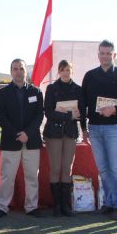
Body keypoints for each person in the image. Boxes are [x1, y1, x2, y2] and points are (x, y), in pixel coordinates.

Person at [81, 40, 117, 220]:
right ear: (98, 55)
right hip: (95, 128)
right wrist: (83, 128)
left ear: (114, 55)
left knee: (116, 167)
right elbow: (83, 104)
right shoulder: (89, 76)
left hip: (114, 128)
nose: (105, 56)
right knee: (103, 168)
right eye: (102, 53)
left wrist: (115, 110)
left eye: (108, 53)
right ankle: (109, 202)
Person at [0, 59, 44, 218]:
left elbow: (39, 115)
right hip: (10, 140)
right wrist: (17, 134)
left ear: (25, 71)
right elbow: (2, 116)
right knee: (7, 177)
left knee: (32, 176)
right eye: (15, 69)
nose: (18, 72)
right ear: (11, 71)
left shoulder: (36, 92)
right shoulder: (4, 93)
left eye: (21, 68)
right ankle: (2, 207)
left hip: (32, 140)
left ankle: (32, 206)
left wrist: (27, 133)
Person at [42, 60, 86, 216]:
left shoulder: (78, 89)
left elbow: (82, 113)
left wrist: (84, 129)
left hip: (71, 133)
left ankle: (65, 205)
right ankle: (56, 205)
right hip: (53, 134)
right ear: (58, 72)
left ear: (72, 71)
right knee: (55, 168)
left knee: (67, 169)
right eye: (62, 70)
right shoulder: (52, 88)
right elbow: (48, 112)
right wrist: (69, 115)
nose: (65, 73)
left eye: (68, 70)